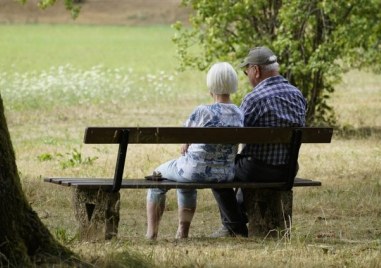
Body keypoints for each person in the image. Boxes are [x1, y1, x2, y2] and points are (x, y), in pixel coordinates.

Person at [211, 46, 307, 238]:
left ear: (256, 70)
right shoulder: (297, 95)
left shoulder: (254, 99)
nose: (247, 76)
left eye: (247, 72)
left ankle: (234, 226)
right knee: (243, 166)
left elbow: (234, 134)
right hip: (288, 170)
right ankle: (237, 220)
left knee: (217, 171)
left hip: (257, 169)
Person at [146, 62, 244, 240]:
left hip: (194, 171)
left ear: (211, 85)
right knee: (185, 178)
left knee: (157, 176)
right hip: (224, 174)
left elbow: (184, 139)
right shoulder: (239, 113)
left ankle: (151, 234)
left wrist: (187, 143)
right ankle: (182, 232)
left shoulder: (202, 111)